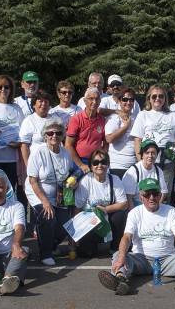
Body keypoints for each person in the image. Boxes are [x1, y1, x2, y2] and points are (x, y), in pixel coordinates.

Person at [97, 178, 175, 296]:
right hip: (141, 260)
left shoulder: (171, 211)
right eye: (147, 194)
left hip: (167, 260)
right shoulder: (135, 213)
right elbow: (126, 237)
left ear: (160, 195)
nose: (152, 197)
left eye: (155, 193)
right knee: (118, 254)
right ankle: (120, 280)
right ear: (141, 196)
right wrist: (122, 256)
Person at [25, 118, 76, 265]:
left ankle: (51, 245)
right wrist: (45, 202)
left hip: (59, 195)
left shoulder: (66, 153)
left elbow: (71, 172)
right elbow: (33, 180)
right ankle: (45, 253)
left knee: (66, 224)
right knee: (48, 217)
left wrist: (72, 181)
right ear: (45, 135)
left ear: (62, 135)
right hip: (38, 193)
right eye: (50, 133)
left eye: (58, 133)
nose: (54, 135)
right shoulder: (38, 152)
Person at [131, 85, 175, 203]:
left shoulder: (172, 115)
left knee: (165, 194)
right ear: (149, 98)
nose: (157, 98)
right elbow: (138, 140)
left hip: (167, 159)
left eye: (161, 96)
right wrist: (140, 160)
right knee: (148, 192)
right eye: (154, 96)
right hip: (148, 157)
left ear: (165, 99)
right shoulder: (143, 115)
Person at [75, 149, 128, 257]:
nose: (100, 165)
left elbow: (124, 203)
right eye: (95, 163)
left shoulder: (115, 179)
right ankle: (90, 245)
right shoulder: (86, 181)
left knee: (120, 215)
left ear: (108, 164)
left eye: (103, 162)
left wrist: (106, 209)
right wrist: (74, 236)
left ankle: (115, 247)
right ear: (91, 166)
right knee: (87, 253)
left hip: (107, 216)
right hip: (90, 221)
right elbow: (77, 207)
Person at [66, 87, 107, 174]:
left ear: (100, 101)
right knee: (72, 185)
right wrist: (81, 165)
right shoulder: (76, 119)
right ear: (84, 101)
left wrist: (102, 157)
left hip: (96, 161)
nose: (94, 102)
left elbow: (106, 142)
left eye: (97, 99)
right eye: (91, 99)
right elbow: (68, 145)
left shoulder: (102, 120)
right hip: (78, 161)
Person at [122, 140, 168, 208]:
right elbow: (128, 197)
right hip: (137, 205)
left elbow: (163, 193)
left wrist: (157, 208)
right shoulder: (133, 171)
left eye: (153, 153)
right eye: (147, 153)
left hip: (154, 203)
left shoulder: (159, 171)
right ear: (142, 155)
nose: (150, 156)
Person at [104, 87, 137, 178]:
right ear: (119, 101)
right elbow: (109, 139)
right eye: (125, 99)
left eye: (131, 100)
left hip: (133, 166)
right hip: (116, 166)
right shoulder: (114, 118)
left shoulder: (137, 118)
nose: (128, 102)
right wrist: (125, 127)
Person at [19, 91, 56, 168]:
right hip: (37, 163)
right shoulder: (28, 121)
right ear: (34, 105)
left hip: (55, 162)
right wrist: (29, 167)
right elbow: (24, 146)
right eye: (40, 101)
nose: (43, 104)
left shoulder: (56, 120)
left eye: (46, 101)